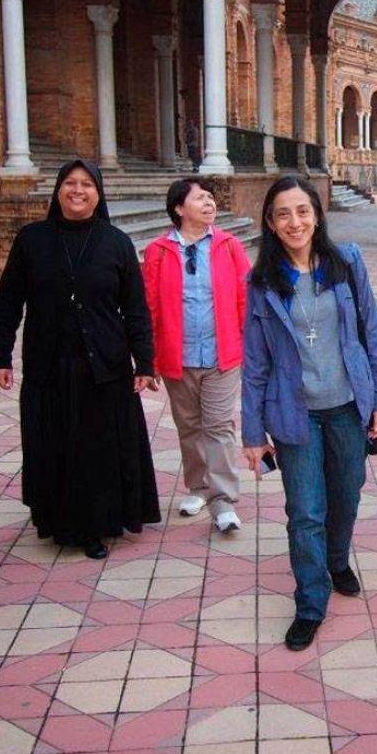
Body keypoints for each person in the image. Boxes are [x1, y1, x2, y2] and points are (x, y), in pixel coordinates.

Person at [241, 176, 377, 651]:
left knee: (346, 495)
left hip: (348, 407)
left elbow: (371, 329)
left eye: (303, 211)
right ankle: (310, 602)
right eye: (283, 214)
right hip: (295, 415)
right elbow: (255, 362)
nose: (295, 222)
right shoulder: (263, 281)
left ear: (317, 214)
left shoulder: (346, 262)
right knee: (305, 510)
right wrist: (251, 432)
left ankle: (337, 558)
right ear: (270, 222)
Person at [0, 161, 160, 559]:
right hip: (48, 364)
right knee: (52, 443)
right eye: (70, 183)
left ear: (99, 193)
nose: (77, 191)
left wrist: (145, 363)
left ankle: (95, 526)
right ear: (58, 191)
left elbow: (136, 309)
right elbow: (9, 300)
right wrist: (1, 353)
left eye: (86, 184)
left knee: (96, 448)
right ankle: (55, 519)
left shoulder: (116, 242)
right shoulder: (32, 240)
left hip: (103, 367)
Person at [142, 178, 251, 534]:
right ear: (178, 208)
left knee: (218, 427)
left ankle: (223, 501)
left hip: (223, 355)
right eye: (199, 198)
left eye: (210, 198)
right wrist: (150, 360)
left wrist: (249, 346)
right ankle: (198, 488)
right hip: (179, 356)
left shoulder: (229, 246)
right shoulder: (158, 251)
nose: (208, 203)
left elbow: (245, 299)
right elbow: (150, 307)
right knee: (189, 427)